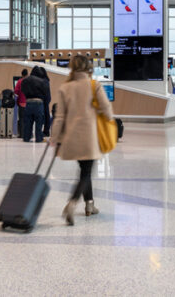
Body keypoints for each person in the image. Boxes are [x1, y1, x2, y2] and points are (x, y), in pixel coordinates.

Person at [53, 54, 114, 225]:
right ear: (88, 67)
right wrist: (107, 117)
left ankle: (90, 205)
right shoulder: (93, 85)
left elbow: (59, 117)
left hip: (71, 136)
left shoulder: (65, 87)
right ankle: (72, 203)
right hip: (90, 136)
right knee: (86, 172)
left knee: (84, 170)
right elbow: (106, 109)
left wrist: (55, 138)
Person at [19, 64, 50, 143]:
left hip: (28, 102)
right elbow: (46, 94)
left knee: (28, 122)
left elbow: (22, 90)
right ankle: (39, 138)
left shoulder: (25, 80)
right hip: (38, 103)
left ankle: (26, 137)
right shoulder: (42, 81)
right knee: (39, 122)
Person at [32, 65, 53, 137]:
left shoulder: (42, 81)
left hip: (43, 99)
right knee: (46, 115)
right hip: (47, 99)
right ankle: (46, 131)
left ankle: (42, 131)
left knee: (42, 116)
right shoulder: (46, 80)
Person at [13, 69, 28, 137]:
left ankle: (21, 134)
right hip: (28, 103)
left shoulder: (19, 82)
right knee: (28, 119)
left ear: (22, 74)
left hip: (21, 103)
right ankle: (28, 133)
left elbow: (16, 91)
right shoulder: (29, 81)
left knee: (21, 119)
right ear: (27, 74)